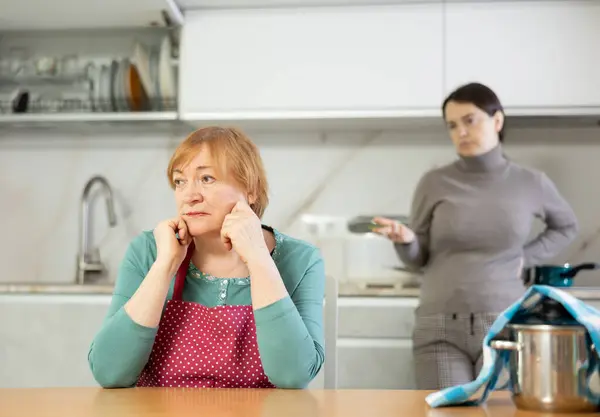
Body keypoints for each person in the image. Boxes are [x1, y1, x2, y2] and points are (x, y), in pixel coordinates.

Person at [372, 82, 579, 390]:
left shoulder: (530, 182)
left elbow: (567, 227)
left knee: (501, 412)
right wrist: (407, 242)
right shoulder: (434, 182)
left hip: (503, 324)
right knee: (446, 412)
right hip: (438, 326)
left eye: (470, 120)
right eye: (452, 125)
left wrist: (525, 257)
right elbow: (419, 259)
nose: (461, 132)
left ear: (497, 121)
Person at [88, 126, 325, 389]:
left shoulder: (301, 260)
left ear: (251, 189)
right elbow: (109, 372)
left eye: (207, 179)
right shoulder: (149, 251)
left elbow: (293, 375)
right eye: (180, 181)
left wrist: (258, 259)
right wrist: (165, 265)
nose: (190, 196)